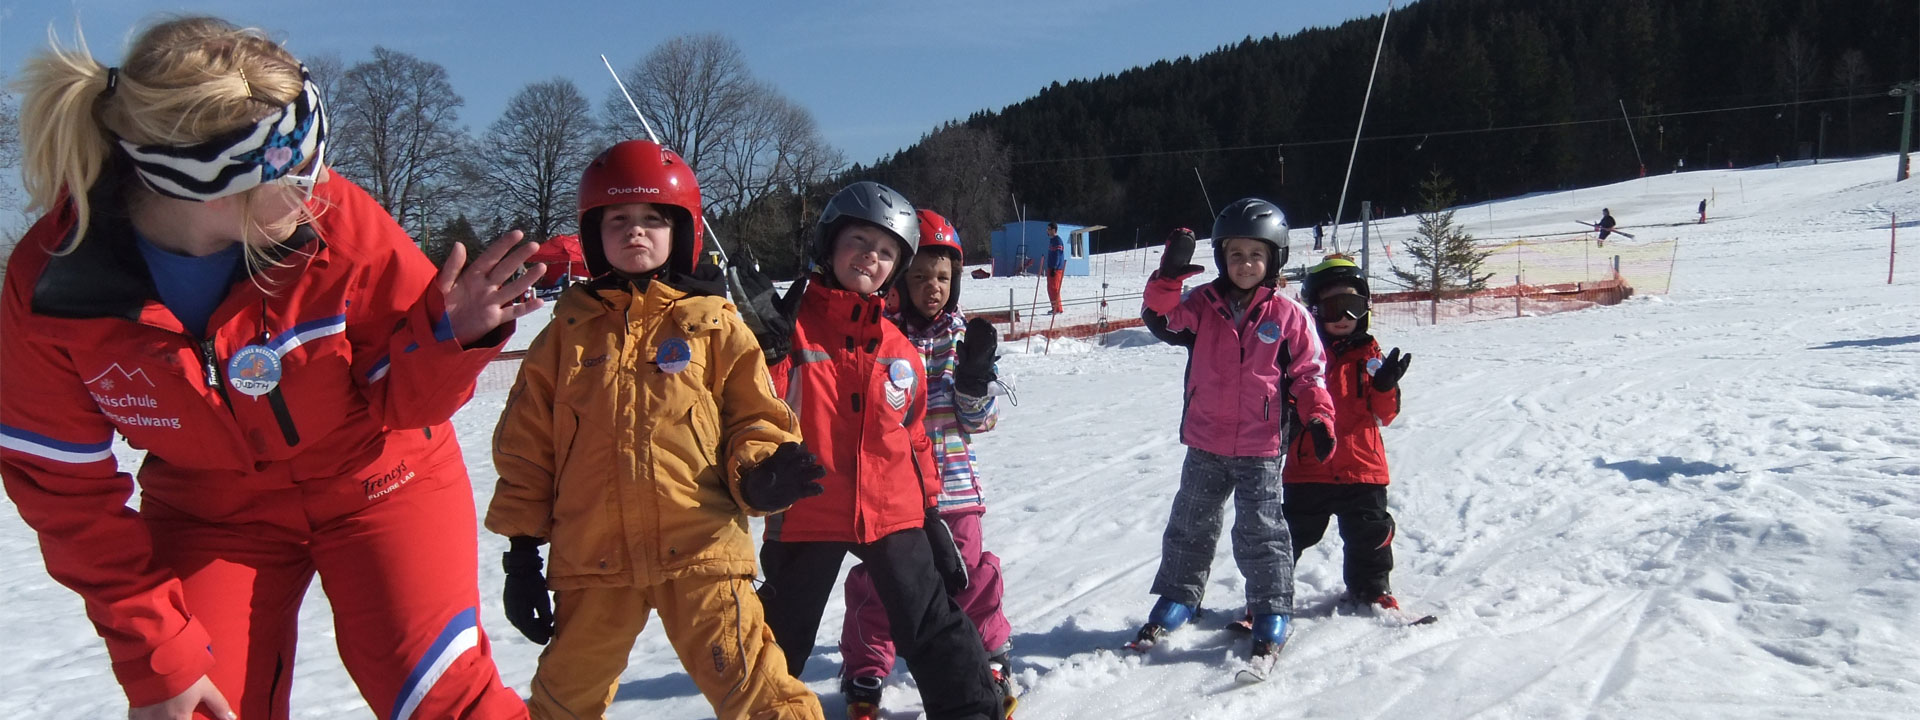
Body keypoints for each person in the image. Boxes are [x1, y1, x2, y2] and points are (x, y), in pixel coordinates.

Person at [1, 17, 536, 720]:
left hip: (381, 481)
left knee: (445, 699)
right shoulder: (56, 287)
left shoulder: (340, 223)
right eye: (296, 170)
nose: (321, 185)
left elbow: (405, 406)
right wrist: (157, 660)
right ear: (205, 185)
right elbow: (63, 493)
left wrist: (447, 340)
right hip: (212, 515)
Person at [485, 140, 825, 720]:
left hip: (701, 552)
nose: (635, 232)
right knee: (561, 704)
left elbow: (753, 417)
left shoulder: (713, 324)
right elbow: (527, 449)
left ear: (681, 231)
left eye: (652, 220)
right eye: (618, 220)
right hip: (593, 560)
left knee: (762, 695)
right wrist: (521, 554)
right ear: (594, 234)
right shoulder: (567, 334)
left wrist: (760, 473)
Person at [741, 182, 1006, 720]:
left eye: (886, 252)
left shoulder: (898, 346)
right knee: (779, 636)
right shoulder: (791, 327)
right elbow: (756, 403)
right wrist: (763, 347)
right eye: (859, 240)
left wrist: (929, 507)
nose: (871, 257)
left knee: (932, 624)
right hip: (808, 506)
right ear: (829, 245)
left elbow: (912, 435)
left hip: (893, 511)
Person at [1134, 199, 1337, 674]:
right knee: (1190, 523)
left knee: (1262, 532)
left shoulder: (1288, 316)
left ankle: (1271, 608)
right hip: (1205, 442)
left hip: (1261, 449)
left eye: (1256, 255)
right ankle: (1178, 598)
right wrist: (1168, 276)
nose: (1245, 264)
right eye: (1236, 254)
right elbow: (1160, 318)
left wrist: (1319, 419)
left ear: (1274, 259)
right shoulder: (1202, 305)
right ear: (1222, 256)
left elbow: (1309, 375)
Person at [838, 210, 1013, 720]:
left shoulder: (966, 338)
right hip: (892, 490)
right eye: (919, 277)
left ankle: (989, 653)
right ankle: (867, 666)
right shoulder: (883, 336)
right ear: (899, 281)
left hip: (955, 487)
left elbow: (980, 422)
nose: (931, 288)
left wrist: (975, 380)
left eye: (942, 278)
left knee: (968, 576)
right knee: (879, 582)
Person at [1284, 256, 1412, 612]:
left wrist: (1385, 385)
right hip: (1309, 466)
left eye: (1353, 307)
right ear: (1314, 311)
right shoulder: (1302, 355)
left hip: (1362, 467)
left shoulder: (1371, 355)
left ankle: (1371, 589)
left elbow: (1386, 415)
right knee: (1289, 535)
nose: (1343, 318)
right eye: (1333, 308)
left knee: (1369, 535)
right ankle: (1269, 595)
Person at [1044, 222, 1066, 314]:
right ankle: (1054, 307)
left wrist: (1054, 267)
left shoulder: (1058, 241)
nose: (1047, 231)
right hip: (1050, 267)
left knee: (1055, 288)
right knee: (1050, 288)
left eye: (1049, 229)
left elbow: (1058, 255)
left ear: (1053, 230)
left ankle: (1058, 308)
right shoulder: (1052, 240)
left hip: (1056, 269)